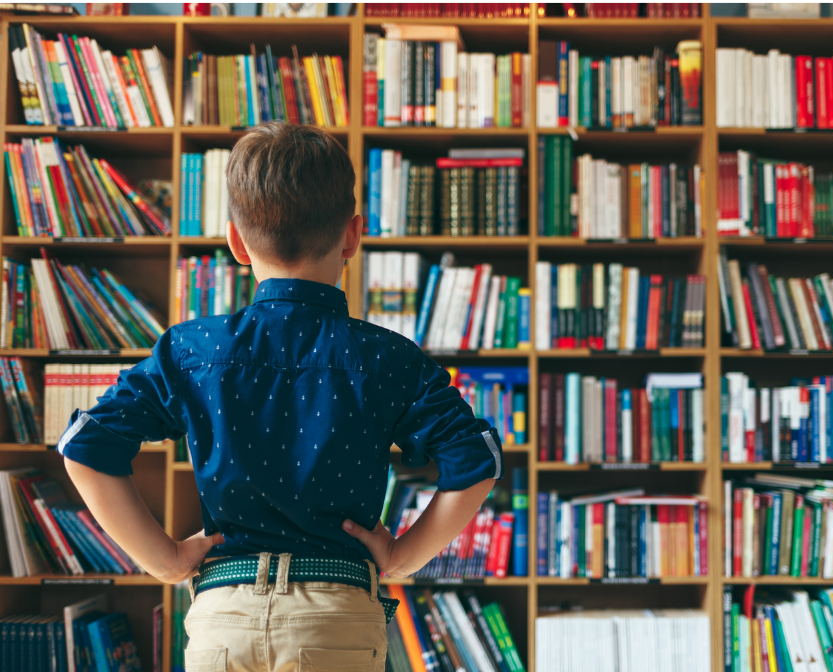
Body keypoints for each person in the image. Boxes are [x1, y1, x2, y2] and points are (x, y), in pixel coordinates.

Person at [59, 122, 503, 671]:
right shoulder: (388, 358)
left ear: (236, 243)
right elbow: (476, 458)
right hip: (335, 616)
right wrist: (404, 557)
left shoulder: (192, 349)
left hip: (225, 615)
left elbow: (85, 448)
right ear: (352, 235)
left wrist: (167, 561)